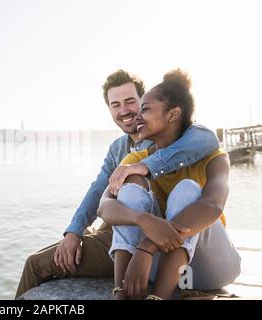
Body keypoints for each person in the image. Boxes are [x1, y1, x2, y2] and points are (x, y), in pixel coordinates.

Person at [14, 70, 220, 299]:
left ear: (144, 101)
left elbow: (208, 139)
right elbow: (98, 191)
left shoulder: (167, 136)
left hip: (145, 233)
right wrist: (74, 232)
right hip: (116, 225)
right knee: (52, 254)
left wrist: (144, 166)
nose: (124, 111)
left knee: (36, 265)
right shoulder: (118, 148)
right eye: (115, 104)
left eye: (131, 102)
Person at [97, 69, 241, 300]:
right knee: (130, 187)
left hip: (210, 269)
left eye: (145, 109)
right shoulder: (134, 162)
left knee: (187, 189)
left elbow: (213, 206)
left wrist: (147, 246)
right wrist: (141, 219)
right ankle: (121, 293)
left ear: (172, 115)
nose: (137, 117)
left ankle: (159, 298)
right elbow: (104, 206)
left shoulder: (213, 156)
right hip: (161, 268)